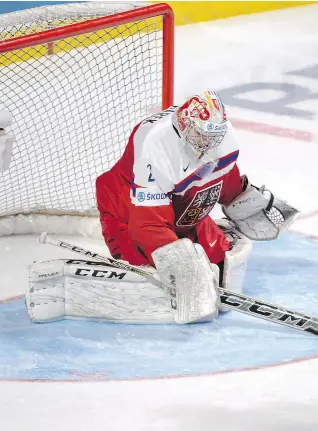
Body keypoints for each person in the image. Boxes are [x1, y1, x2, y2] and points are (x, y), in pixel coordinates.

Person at [26, 90, 299, 326]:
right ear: (183, 125)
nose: (207, 144)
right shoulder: (153, 145)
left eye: (212, 137)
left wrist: (241, 197)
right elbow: (148, 223)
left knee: (216, 260)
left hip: (181, 200)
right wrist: (179, 263)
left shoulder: (221, 138)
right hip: (127, 202)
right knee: (154, 271)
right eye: (200, 135)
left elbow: (220, 175)